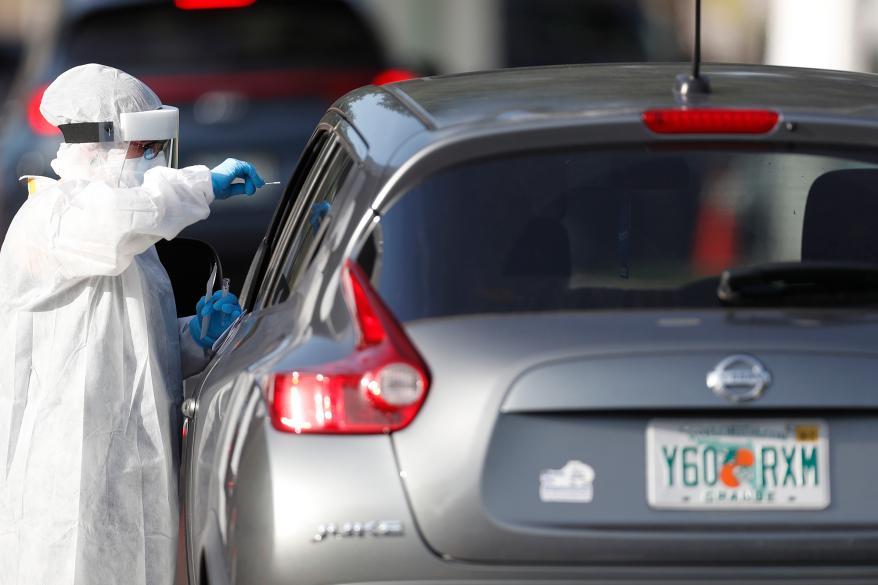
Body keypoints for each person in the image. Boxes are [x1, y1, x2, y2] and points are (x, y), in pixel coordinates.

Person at [0, 64, 265, 585]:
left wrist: (193, 337)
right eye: (144, 148)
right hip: (64, 481)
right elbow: (118, 221)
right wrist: (200, 185)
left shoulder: (135, 252)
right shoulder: (49, 218)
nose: (152, 164)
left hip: (131, 471)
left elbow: (135, 351)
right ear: (97, 144)